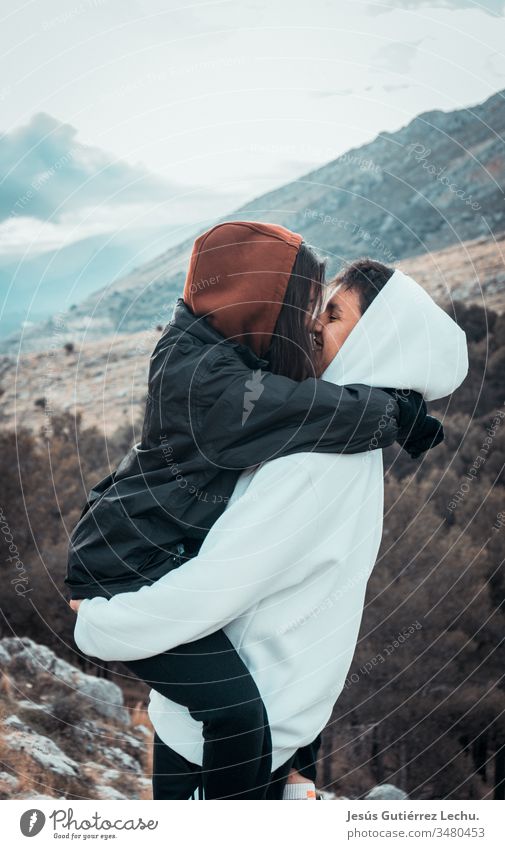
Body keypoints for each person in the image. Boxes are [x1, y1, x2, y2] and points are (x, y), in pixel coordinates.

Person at [67, 224, 434, 799]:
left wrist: (297, 764)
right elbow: (298, 409)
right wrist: (392, 413)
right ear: (259, 299)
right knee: (237, 714)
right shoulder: (209, 376)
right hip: (127, 569)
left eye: (327, 313)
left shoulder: (216, 349)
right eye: (302, 303)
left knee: (238, 713)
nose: (307, 321)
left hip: (143, 557)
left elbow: (304, 605)